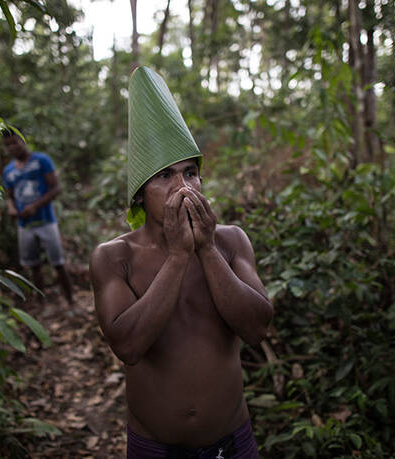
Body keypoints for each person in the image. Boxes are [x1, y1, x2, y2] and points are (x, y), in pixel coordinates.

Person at [90, 67, 273, 458]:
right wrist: (177, 256)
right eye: (165, 176)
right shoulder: (114, 257)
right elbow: (129, 346)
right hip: (155, 449)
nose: (183, 187)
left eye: (191, 172)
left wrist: (205, 250)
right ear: (140, 195)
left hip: (233, 443)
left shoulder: (230, 241)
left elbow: (257, 328)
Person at [1, 130, 73, 305]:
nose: (12, 147)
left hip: (46, 220)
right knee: (34, 266)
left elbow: (55, 188)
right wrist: (11, 209)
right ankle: (42, 304)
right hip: (24, 224)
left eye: (15, 142)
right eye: (8, 145)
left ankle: (70, 300)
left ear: (23, 140)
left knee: (58, 263)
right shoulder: (8, 171)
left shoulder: (41, 161)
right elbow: (9, 196)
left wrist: (35, 206)